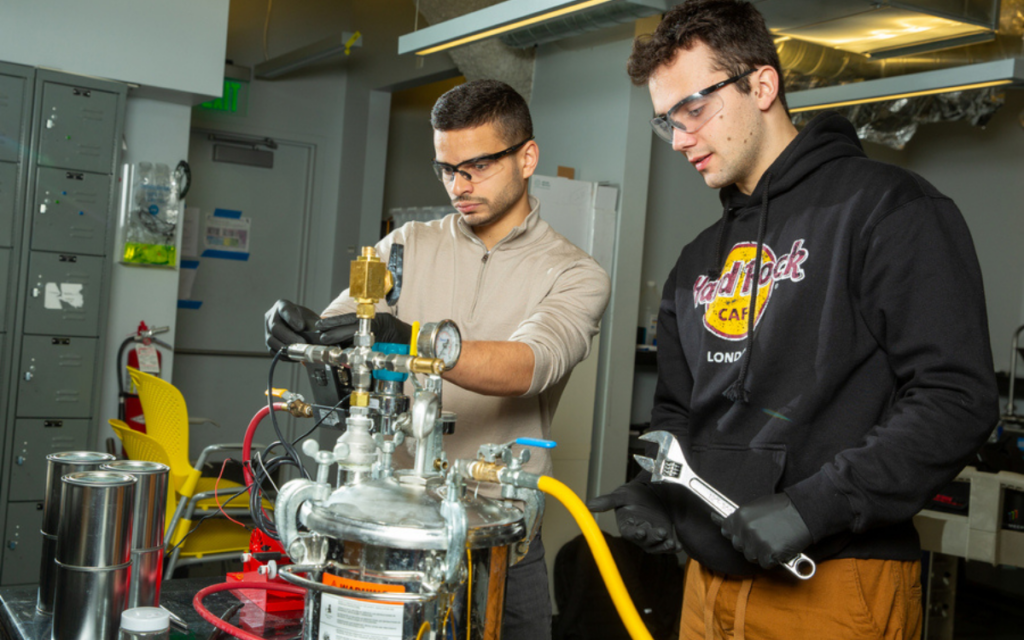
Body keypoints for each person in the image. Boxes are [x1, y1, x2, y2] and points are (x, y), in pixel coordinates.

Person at [589, 1, 999, 638]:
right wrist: (660, 491)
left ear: (761, 85)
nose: (679, 139)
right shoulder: (696, 262)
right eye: (665, 122)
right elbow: (677, 410)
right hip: (705, 588)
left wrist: (813, 507)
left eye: (693, 109)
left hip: (833, 585)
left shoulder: (888, 210)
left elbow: (956, 400)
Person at [265, 79, 611, 640]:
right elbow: (344, 330)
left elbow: (530, 364)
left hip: (499, 535)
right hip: (394, 526)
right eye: (446, 169)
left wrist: (411, 337)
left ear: (527, 158)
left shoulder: (575, 273)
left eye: (475, 166)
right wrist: (299, 328)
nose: (458, 185)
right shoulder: (406, 246)